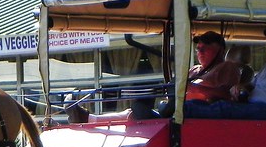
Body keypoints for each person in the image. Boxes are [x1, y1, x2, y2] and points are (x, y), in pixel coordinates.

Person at [78, 30, 241, 122]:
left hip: (200, 116)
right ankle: (90, 119)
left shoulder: (227, 67)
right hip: (182, 114)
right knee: (137, 109)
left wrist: (191, 88)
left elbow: (226, 96)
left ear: (219, 49)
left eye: (205, 49)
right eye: (198, 49)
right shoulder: (194, 70)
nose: (200, 52)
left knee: (143, 111)